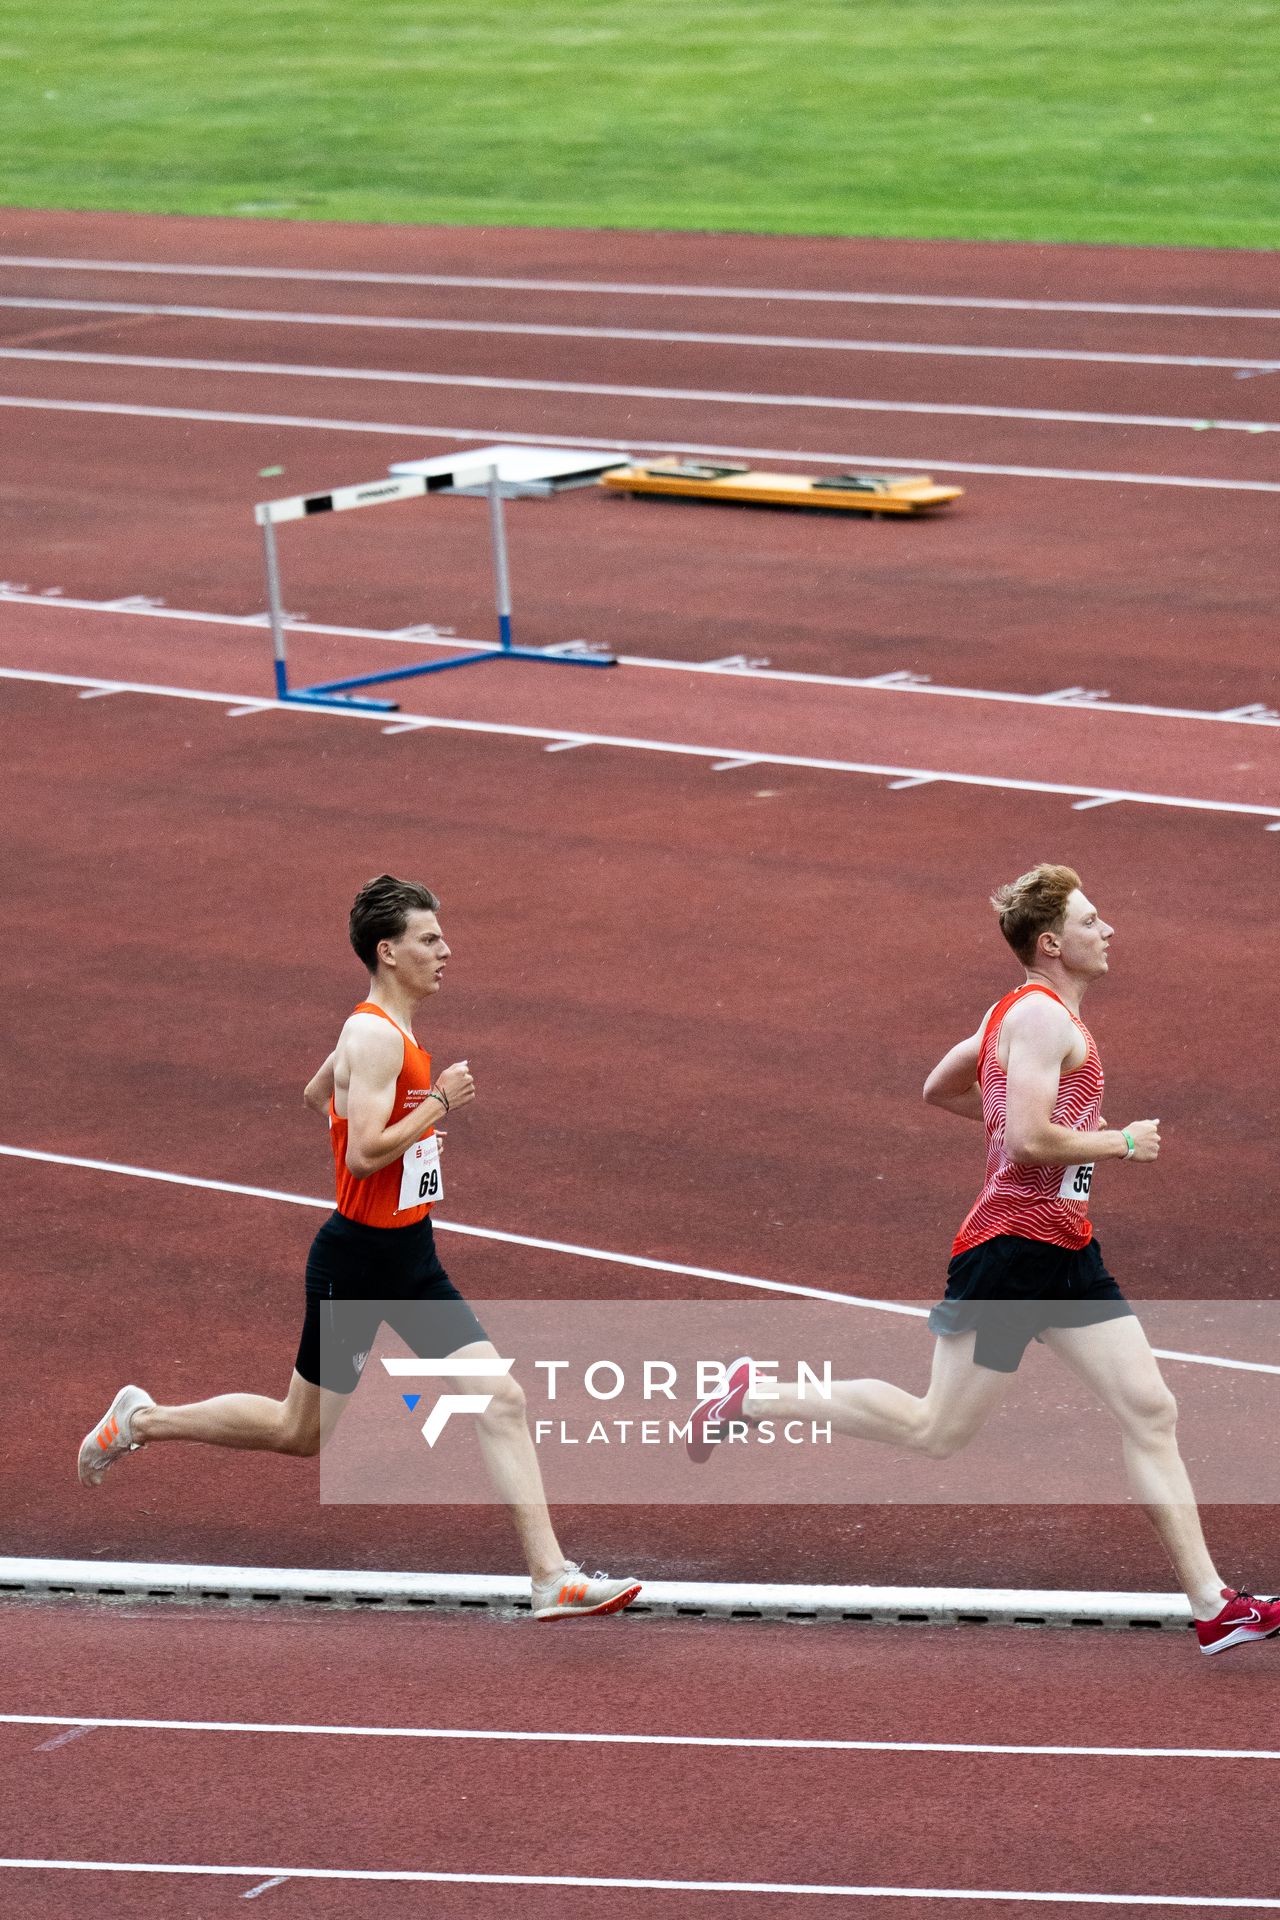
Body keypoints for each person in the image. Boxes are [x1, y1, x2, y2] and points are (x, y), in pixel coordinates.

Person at [689, 863, 1277, 1656]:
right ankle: (754, 1397)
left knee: (1151, 1409)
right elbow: (1032, 1138)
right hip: (1010, 1252)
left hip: (1065, 1250)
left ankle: (1214, 1607)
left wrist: (1007, 1118)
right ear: (1051, 943)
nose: (1107, 932)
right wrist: (1121, 1141)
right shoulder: (1037, 1019)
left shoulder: (1016, 1012)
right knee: (936, 1430)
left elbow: (943, 1087)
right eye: (1091, 921)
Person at [79, 873, 640, 1624]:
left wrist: (376, 1114)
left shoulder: (382, 1033)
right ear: (389, 951)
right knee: (299, 1432)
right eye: (430, 939)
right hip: (358, 1264)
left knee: (500, 1399)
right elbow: (366, 1155)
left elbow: (321, 1097)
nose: (447, 950)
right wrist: (439, 1103)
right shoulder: (375, 1033)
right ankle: (141, 1422)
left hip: (411, 1259)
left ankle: (550, 1579)